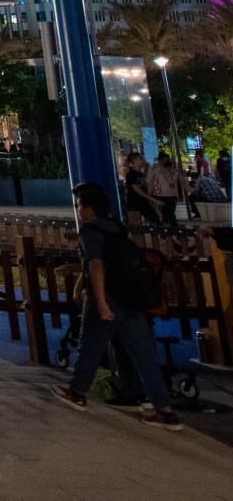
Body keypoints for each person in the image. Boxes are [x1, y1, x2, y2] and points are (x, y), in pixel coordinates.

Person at [53, 183, 182, 429]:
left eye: (79, 205)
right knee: (144, 354)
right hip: (130, 299)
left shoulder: (90, 232)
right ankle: (164, 410)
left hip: (107, 298)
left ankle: (77, 393)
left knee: (89, 346)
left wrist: (100, 303)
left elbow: (97, 266)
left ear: (90, 208)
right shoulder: (116, 228)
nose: (78, 210)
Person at [121, 152, 157, 225]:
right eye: (140, 158)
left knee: (155, 221)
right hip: (134, 205)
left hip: (143, 203)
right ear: (134, 161)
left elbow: (145, 188)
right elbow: (137, 189)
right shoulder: (131, 174)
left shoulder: (141, 174)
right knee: (136, 228)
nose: (143, 159)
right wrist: (152, 199)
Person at [146, 153, 181, 225]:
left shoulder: (171, 170)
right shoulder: (154, 170)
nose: (168, 161)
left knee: (169, 215)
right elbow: (150, 183)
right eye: (166, 159)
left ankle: (172, 231)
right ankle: (172, 232)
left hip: (172, 196)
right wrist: (150, 197)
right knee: (167, 216)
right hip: (161, 196)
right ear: (160, 160)